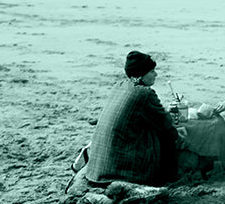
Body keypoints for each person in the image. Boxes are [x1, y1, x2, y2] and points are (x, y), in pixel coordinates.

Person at [74, 51, 186, 193]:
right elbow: (164, 123)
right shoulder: (145, 93)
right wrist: (176, 132)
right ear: (140, 74)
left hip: (96, 169)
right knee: (165, 136)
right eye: (152, 71)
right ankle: (169, 177)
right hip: (119, 169)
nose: (156, 74)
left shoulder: (119, 86)